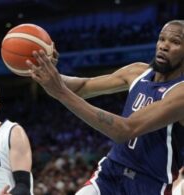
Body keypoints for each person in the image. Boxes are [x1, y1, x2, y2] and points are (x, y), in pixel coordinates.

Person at [26, 19, 184, 194]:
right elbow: (82, 87)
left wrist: (60, 92)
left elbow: (124, 130)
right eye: (162, 39)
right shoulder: (138, 72)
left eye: (175, 42)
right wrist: (48, 71)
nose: (164, 46)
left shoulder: (181, 92)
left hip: (149, 185)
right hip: (111, 172)